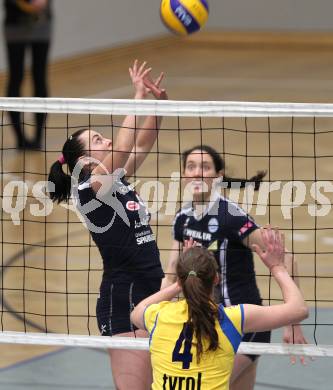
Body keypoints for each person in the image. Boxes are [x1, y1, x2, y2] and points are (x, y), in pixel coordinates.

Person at [48, 60, 167, 390]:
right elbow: (127, 143)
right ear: (84, 161)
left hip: (154, 291)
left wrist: (159, 105)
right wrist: (137, 97)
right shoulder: (91, 187)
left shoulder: (115, 179)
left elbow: (140, 144)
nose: (107, 141)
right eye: (98, 140)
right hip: (125, 297)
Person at [161, 145, 308, 390]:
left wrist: (292, 322)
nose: (197, 173)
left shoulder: (231, 217)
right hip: (206, 322)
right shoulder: (182, 217)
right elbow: (171, 274)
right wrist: (159, 316)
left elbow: (287, 259)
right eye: (191, 166)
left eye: (205, 167)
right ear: (184, 175)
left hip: (242, 323)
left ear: (218, 176)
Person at [131, 227, 309, 390]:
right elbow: (298, 309)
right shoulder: (232, 318)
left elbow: (137, 312)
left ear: (182, 278)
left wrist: (178, 284)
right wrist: (278, 268)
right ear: (216, 279)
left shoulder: (159, 315)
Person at [3, 0, 52, 149]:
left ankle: (38, 137)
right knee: (16, 77)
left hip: (41, 23)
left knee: (40, 77)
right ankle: (20, 138)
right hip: (15, 24)